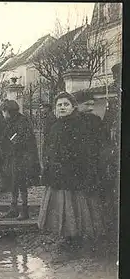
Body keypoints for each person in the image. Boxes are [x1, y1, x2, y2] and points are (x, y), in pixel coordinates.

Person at [38, 92, 106, 249]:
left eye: (65, 104)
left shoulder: (80, 124)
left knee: (76, 206)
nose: (62, 107)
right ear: (55, 108)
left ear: (73, 106)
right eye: (59, 105)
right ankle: (67, 236)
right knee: (61, 205)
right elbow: (49, 148)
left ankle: (78, 238)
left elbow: (85, 150)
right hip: (58, 174)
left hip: (75, 173)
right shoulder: (55, 126)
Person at [0, 99, 41, 220]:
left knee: (21, 184)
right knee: (13, 183)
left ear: (9, 111)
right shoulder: (11, 122)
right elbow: (4, 138)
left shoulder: (22, 122)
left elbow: (21, 140)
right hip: (14, 157)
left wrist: (11, 141)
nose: (3, 115)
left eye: (4, 112)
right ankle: (13, 208)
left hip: (23, 158)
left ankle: (24, 210)